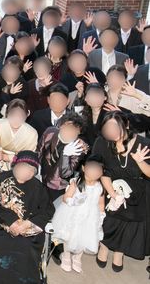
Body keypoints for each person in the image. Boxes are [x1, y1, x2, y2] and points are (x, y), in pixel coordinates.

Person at [0, 150, 54, 284]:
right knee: (1, 243)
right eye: (22, 167)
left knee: (26, 248)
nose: (25, 172)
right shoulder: (2, 179)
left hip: (28, 229)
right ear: (15, 166)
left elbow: (48, 210)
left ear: (34, 172)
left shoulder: (38, 187)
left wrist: (27, 223)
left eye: (30, 169)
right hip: (3, 225)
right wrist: (11, 222)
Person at [92, 111, 150, 270]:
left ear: (127, 125)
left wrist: (140, 162)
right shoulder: (102, 142)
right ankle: (104, 246)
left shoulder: (144, 144)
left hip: (137, 188)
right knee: (111, 214)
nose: (112, 132)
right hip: (109, 183)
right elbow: (101, 171)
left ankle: (119, 251)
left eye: (116, 127)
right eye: (108, 129)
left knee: (131, 217)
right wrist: (113, 194)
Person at [51, 156, 105, 273]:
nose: (95, 172)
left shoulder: (100, 187)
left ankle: (77, 257)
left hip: (90, 217)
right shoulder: (77, 183)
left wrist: (101, 216)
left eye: (98, 169)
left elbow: (101, 203)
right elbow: (66, 197)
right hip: (73, 213)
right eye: (92, 168)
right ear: (84, 168)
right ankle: (66, 255)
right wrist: (72, 201)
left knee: (84, 236)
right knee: (69, 235)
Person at [37, 112, 89, 202]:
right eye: (67, 128)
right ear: (61, 125)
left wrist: (65, 155)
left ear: (79, 132)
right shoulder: (50, 132)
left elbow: (66, 174)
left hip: (59, 186)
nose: (69, 132)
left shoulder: (78, 148)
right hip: (42, 178)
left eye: (74, 130)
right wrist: (37, 171)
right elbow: (39, 152)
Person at [0, 99, 38, 181]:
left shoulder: (32, 133)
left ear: (27, 114)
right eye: (12, 115)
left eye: (21, 116)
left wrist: (8, 157)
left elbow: (29, 157)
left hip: (18, 163)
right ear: (7, 114)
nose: (16, 119)